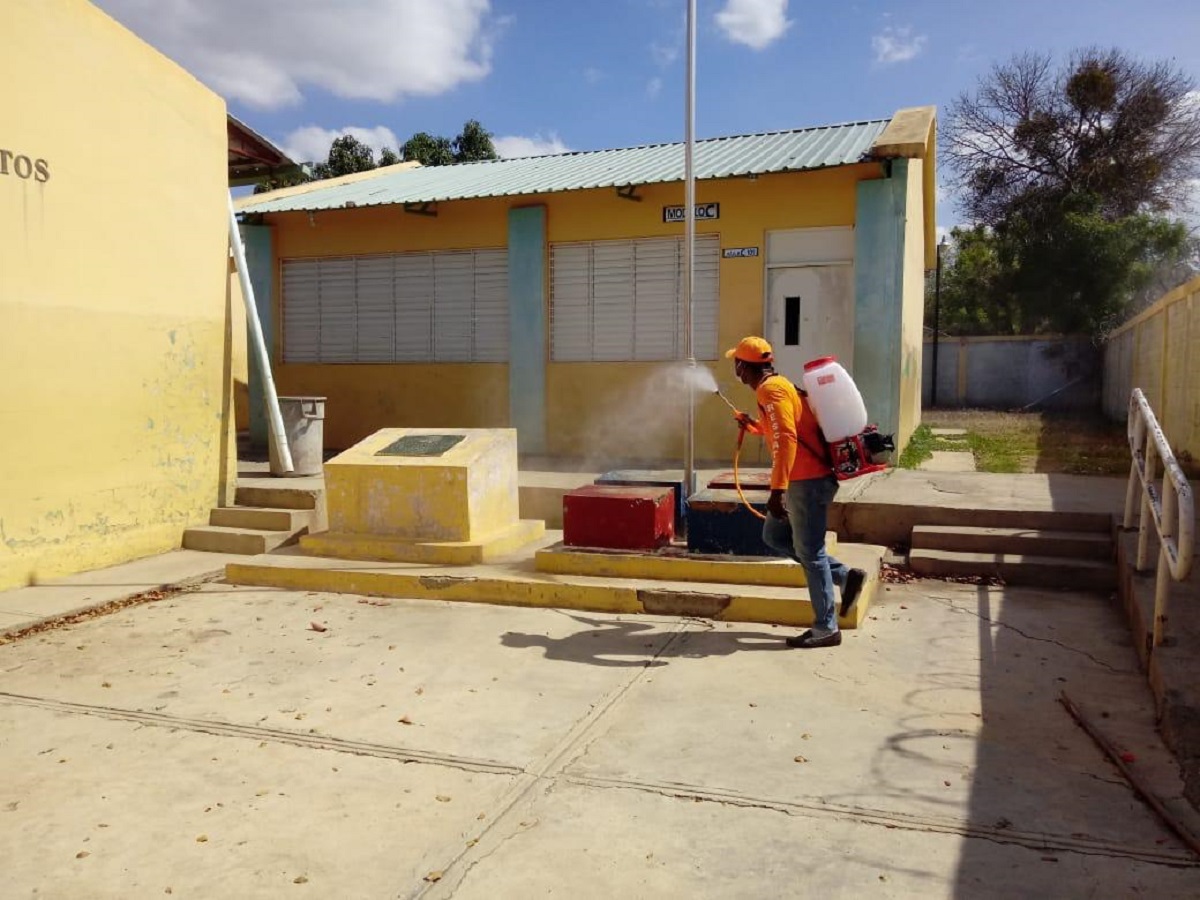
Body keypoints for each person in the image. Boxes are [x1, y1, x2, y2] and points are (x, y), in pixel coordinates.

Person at [725, 336, 866, 649]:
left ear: (743, 367)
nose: (736, 368)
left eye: (737, 362)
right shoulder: (777, 386)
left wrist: (778, 490)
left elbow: (787, 438)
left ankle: (825, 628)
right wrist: (752, 426)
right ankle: (843, 577)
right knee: (774, 537)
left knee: (811, 552)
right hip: (806, 479)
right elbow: (786, 427)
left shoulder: (770, 390)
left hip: (806, 481)